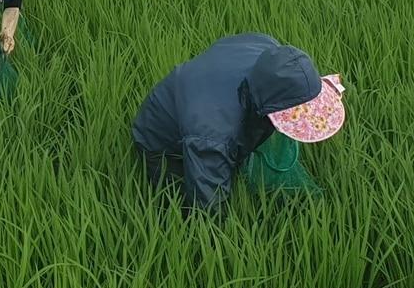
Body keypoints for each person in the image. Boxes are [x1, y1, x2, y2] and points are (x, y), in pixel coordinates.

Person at [131, 34, 346, 212]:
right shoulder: (212, 135)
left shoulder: (266, 50)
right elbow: (208, 204)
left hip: (201, 91)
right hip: (160, 138)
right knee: (176, 199)